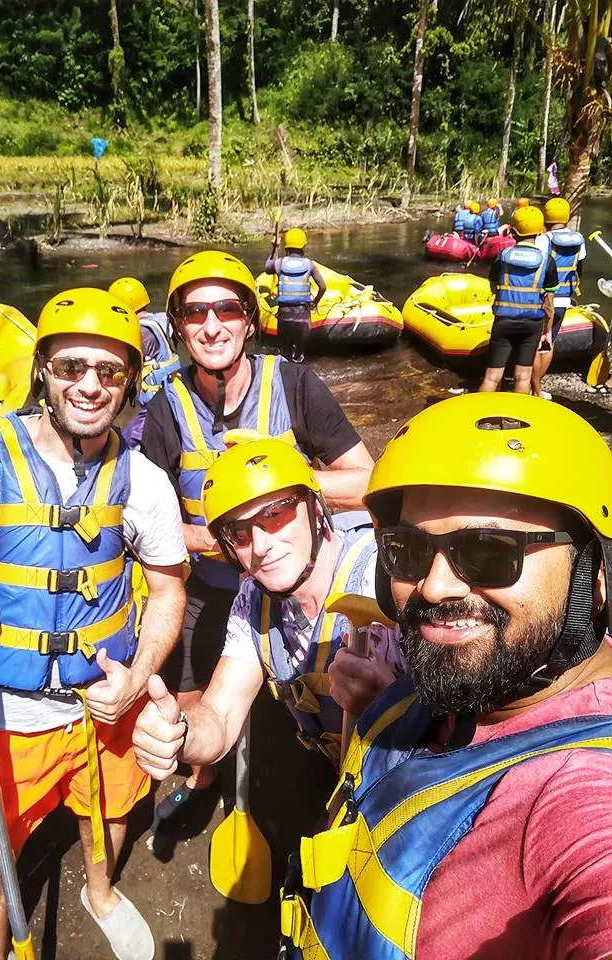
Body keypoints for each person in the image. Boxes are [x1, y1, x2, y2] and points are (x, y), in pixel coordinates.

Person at [0, 288, 187, 960]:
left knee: (110, 817)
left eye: (110, 371)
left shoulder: (143, 482)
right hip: (3, 717)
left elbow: (167, 591)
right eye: (72, 366)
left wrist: (139, 676)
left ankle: (100, 892)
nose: (90, 385)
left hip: (103, 708)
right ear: (44, 372)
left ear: (130, 384)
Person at [280, 392, 612, 959]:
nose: (433, 587)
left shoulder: (579, 798)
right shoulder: (437, 690)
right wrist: (366, 722)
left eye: (489, 551)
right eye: (406, 551)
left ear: (594, 577)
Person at [140, 250, 375, 823]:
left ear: (249, 319)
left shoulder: (295, 385)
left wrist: (286, 476)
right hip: (211, 582)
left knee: (319, 683)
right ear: (179, 328)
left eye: (226, 309)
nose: (211, 325)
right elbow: (150, 516)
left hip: (293, 574)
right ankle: (201, 771)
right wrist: (224, 542)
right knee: (198, 691)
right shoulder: (166, 410)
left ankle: (339, 765)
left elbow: (371, 481)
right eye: (195, 314)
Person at [132, 438, 404, 780]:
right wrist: (180, 733)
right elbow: (219, 717)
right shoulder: (251, 603)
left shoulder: (384, 577)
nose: (261, 546)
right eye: (239, 533)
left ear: (316, 510)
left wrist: (394, 710)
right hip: (340, 775)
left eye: (275, 514)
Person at [480, 205, 558, 394]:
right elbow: (549, 303)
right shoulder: (547, 261)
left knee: (492, 376)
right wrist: (547, 331)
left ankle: (481, 416)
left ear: (512, 231)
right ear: (540, 232)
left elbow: (493, 287)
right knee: (523, 377)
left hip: (504, 321)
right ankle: (514, 419)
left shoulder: (502, 256)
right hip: (532, 323)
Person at [108, 277, 181, 448]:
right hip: (170, 392)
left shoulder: (140, 332)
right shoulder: (163, 320)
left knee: (128, 443)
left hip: (151, 403)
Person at [532, 197, 586, 399]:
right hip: (564, 299)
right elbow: (579, 269)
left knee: (537, 343)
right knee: (549, 342)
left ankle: (533, 388)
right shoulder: (578, 239)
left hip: (544, 299)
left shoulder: (543, 239)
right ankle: (536, 385)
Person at [264, 227, 326, 363]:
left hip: (284, 317)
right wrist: (315, 302)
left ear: (286, 246)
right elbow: (322, 287)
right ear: (304, 245)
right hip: (303, 317)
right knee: (299, 356)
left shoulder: (279, 263)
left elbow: (268, 267)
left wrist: (274, 248)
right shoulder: (310, 265)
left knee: (284, 355)